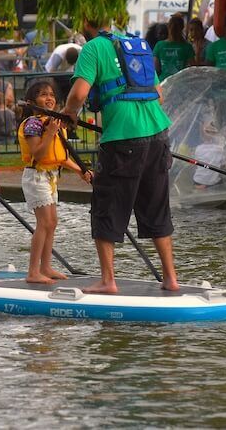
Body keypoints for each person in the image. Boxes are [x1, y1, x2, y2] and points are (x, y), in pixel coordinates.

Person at [62, 21, 179, 294]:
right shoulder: (138, 44)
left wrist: (70, 113)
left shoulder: (92, 48)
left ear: (85, 22)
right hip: (159, 134)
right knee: (156, 205)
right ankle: (170, 278)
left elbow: (79, 93)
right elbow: (159, 95)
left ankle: (108, 280)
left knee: (107, 205)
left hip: (123, 137)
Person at [18, 81, 92, 283]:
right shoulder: (34, 124)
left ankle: (46, 267)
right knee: (44, 222)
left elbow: (61, 156)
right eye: (43, 95)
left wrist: (81, 171)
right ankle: (33, 272)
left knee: (52, 223)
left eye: (51, 94)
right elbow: (39, 154)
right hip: (36, 177)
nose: (49, 98)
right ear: (32, 102)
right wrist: (50, 132)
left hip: (51, 177)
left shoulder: (54, 122)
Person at [152, 15, 194, 82]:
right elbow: (192, 69)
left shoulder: (159, 45)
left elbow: (156, 69)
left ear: (168, 27)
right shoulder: (187, 46)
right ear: (182, 28)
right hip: (180, 84)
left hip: (163, 83)